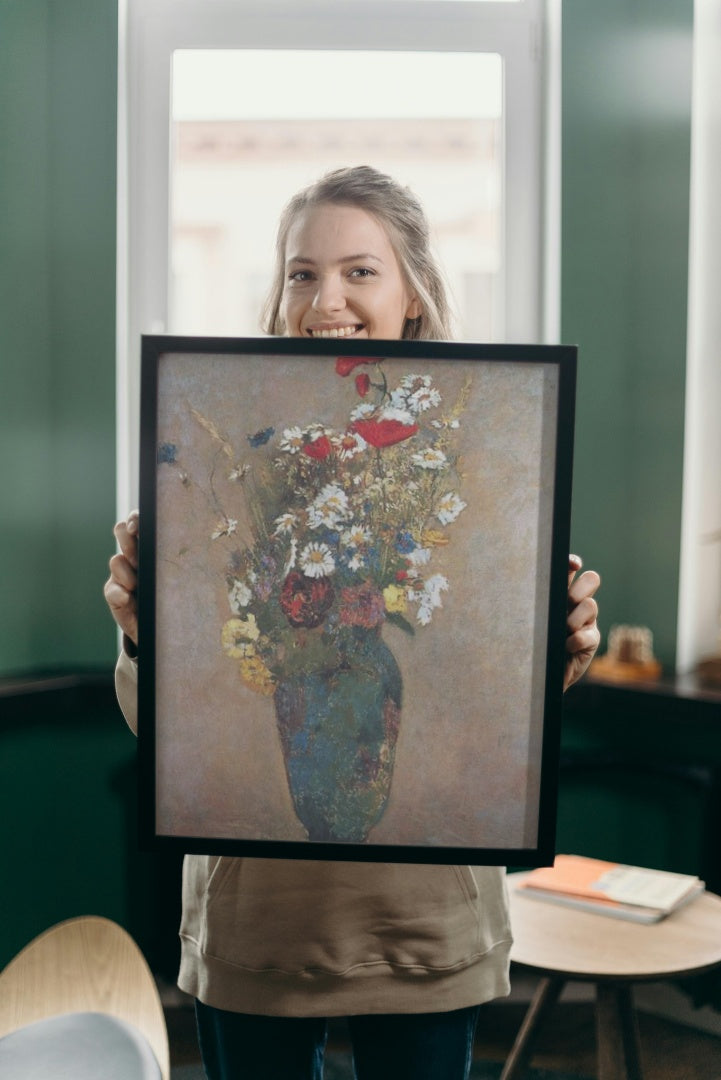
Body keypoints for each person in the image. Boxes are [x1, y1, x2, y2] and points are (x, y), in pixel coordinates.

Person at [105, 166, 601, 1080]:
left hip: (423, 924)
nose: (324, 298)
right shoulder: (221, 457)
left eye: (358, 271)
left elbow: (498, 699)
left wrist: (557, 649)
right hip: (258, 924)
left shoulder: (484, 445)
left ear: (412, 292)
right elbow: (166, 727)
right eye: (301, 272)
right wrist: (145, 635)